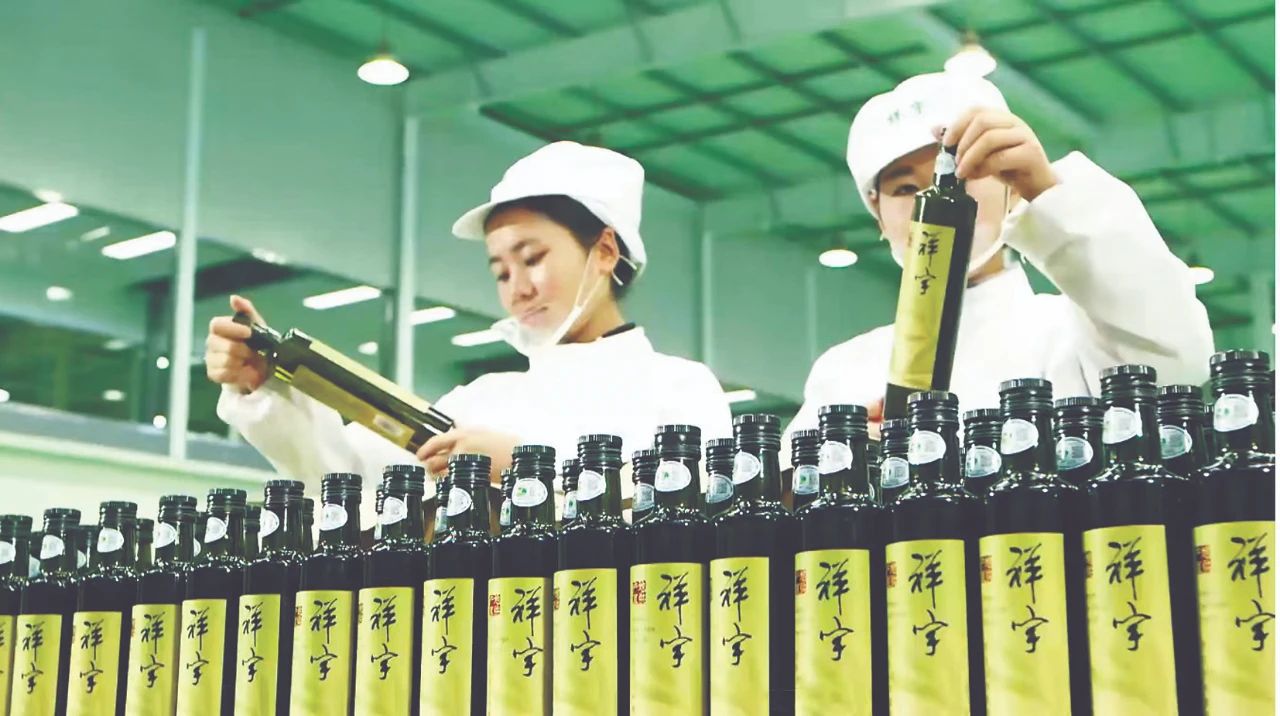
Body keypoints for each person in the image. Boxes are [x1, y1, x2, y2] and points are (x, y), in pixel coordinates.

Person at [207, 142, 733, 523]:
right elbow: (351, 483)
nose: (518, 290)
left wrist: (527, 470)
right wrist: (265, 383)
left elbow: (697, 522)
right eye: (501, 272)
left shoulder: (678, 390)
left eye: (533, 258)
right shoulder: (479, 402)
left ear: (605, 251)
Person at [784, 72, 1214, 448]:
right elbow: (779, 496)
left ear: (1011, 185)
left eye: (958, 176)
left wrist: (1047, 188)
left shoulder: (1072, 333)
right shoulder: (846, 369)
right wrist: (844, 454)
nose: (933, 201)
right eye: (904, 189)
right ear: (878, 214)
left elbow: (1175, 362)